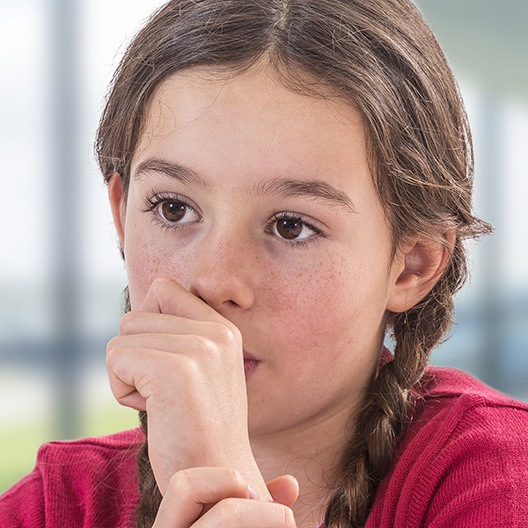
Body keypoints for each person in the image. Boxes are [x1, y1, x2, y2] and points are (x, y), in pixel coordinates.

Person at [1, 0, 527, 526]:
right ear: (122, 216)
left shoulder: (500, 478)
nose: (214, 281)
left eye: (291, 226)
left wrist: (214, 480)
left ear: (412, 264)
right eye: (173, 208)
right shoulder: (51, 507)